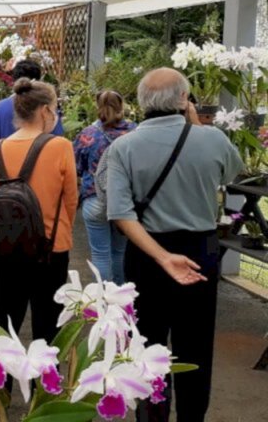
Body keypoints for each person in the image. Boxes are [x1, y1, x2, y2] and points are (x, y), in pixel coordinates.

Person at [106, 68, 242, 421]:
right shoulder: (211, 139)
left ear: (140, 102)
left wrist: (163, 257)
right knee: (195, 347)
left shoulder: (122, 147)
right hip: (199, 253)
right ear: (184, 100)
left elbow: (120, 214)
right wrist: (195, 125)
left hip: (147, 253)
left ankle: (151, 416)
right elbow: (229, 174)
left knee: (147, 345)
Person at [0, 78, 77, 343]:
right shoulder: (60, 146)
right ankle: (44, 382)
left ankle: (1, 382)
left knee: (6, 321)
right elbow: (71, 199)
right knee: (48, 325)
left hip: (9, 245)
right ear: (44, 111)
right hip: (51, 247)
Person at [72, 90, 136, 285]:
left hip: (94, 199)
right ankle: (121, 298)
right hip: (124, 201)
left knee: (100, 254)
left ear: (97, 106)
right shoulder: (135, 132)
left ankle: (103, 299)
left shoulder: (88, 135)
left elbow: (77, 166)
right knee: (119, 252)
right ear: (122, 106)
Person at [0, 59, 64, 148]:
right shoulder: (47, 108)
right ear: (38, 80)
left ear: (14, 80)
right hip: (42, 159)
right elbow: (58, 137)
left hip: (8, 159)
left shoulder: (0, 107)